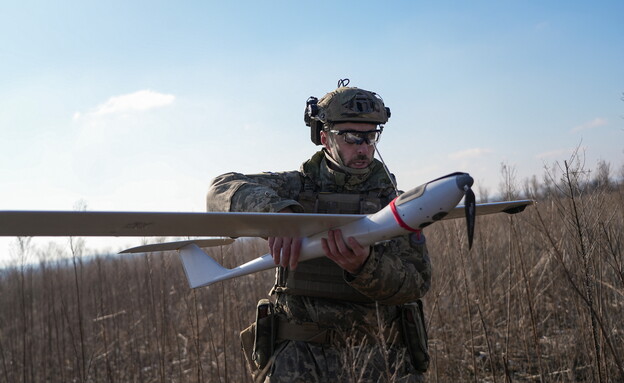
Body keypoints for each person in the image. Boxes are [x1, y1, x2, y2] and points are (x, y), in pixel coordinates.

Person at [206, 79, 431, 382]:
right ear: (325, 138)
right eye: (351, 137)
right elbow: (220, 189)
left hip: (380, 360)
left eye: (371, 136)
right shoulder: (296, 188)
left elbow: (416, 282)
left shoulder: (393, 203)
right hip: (300, 361)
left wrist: (365, 267)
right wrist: (279, 216)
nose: (364, 147)